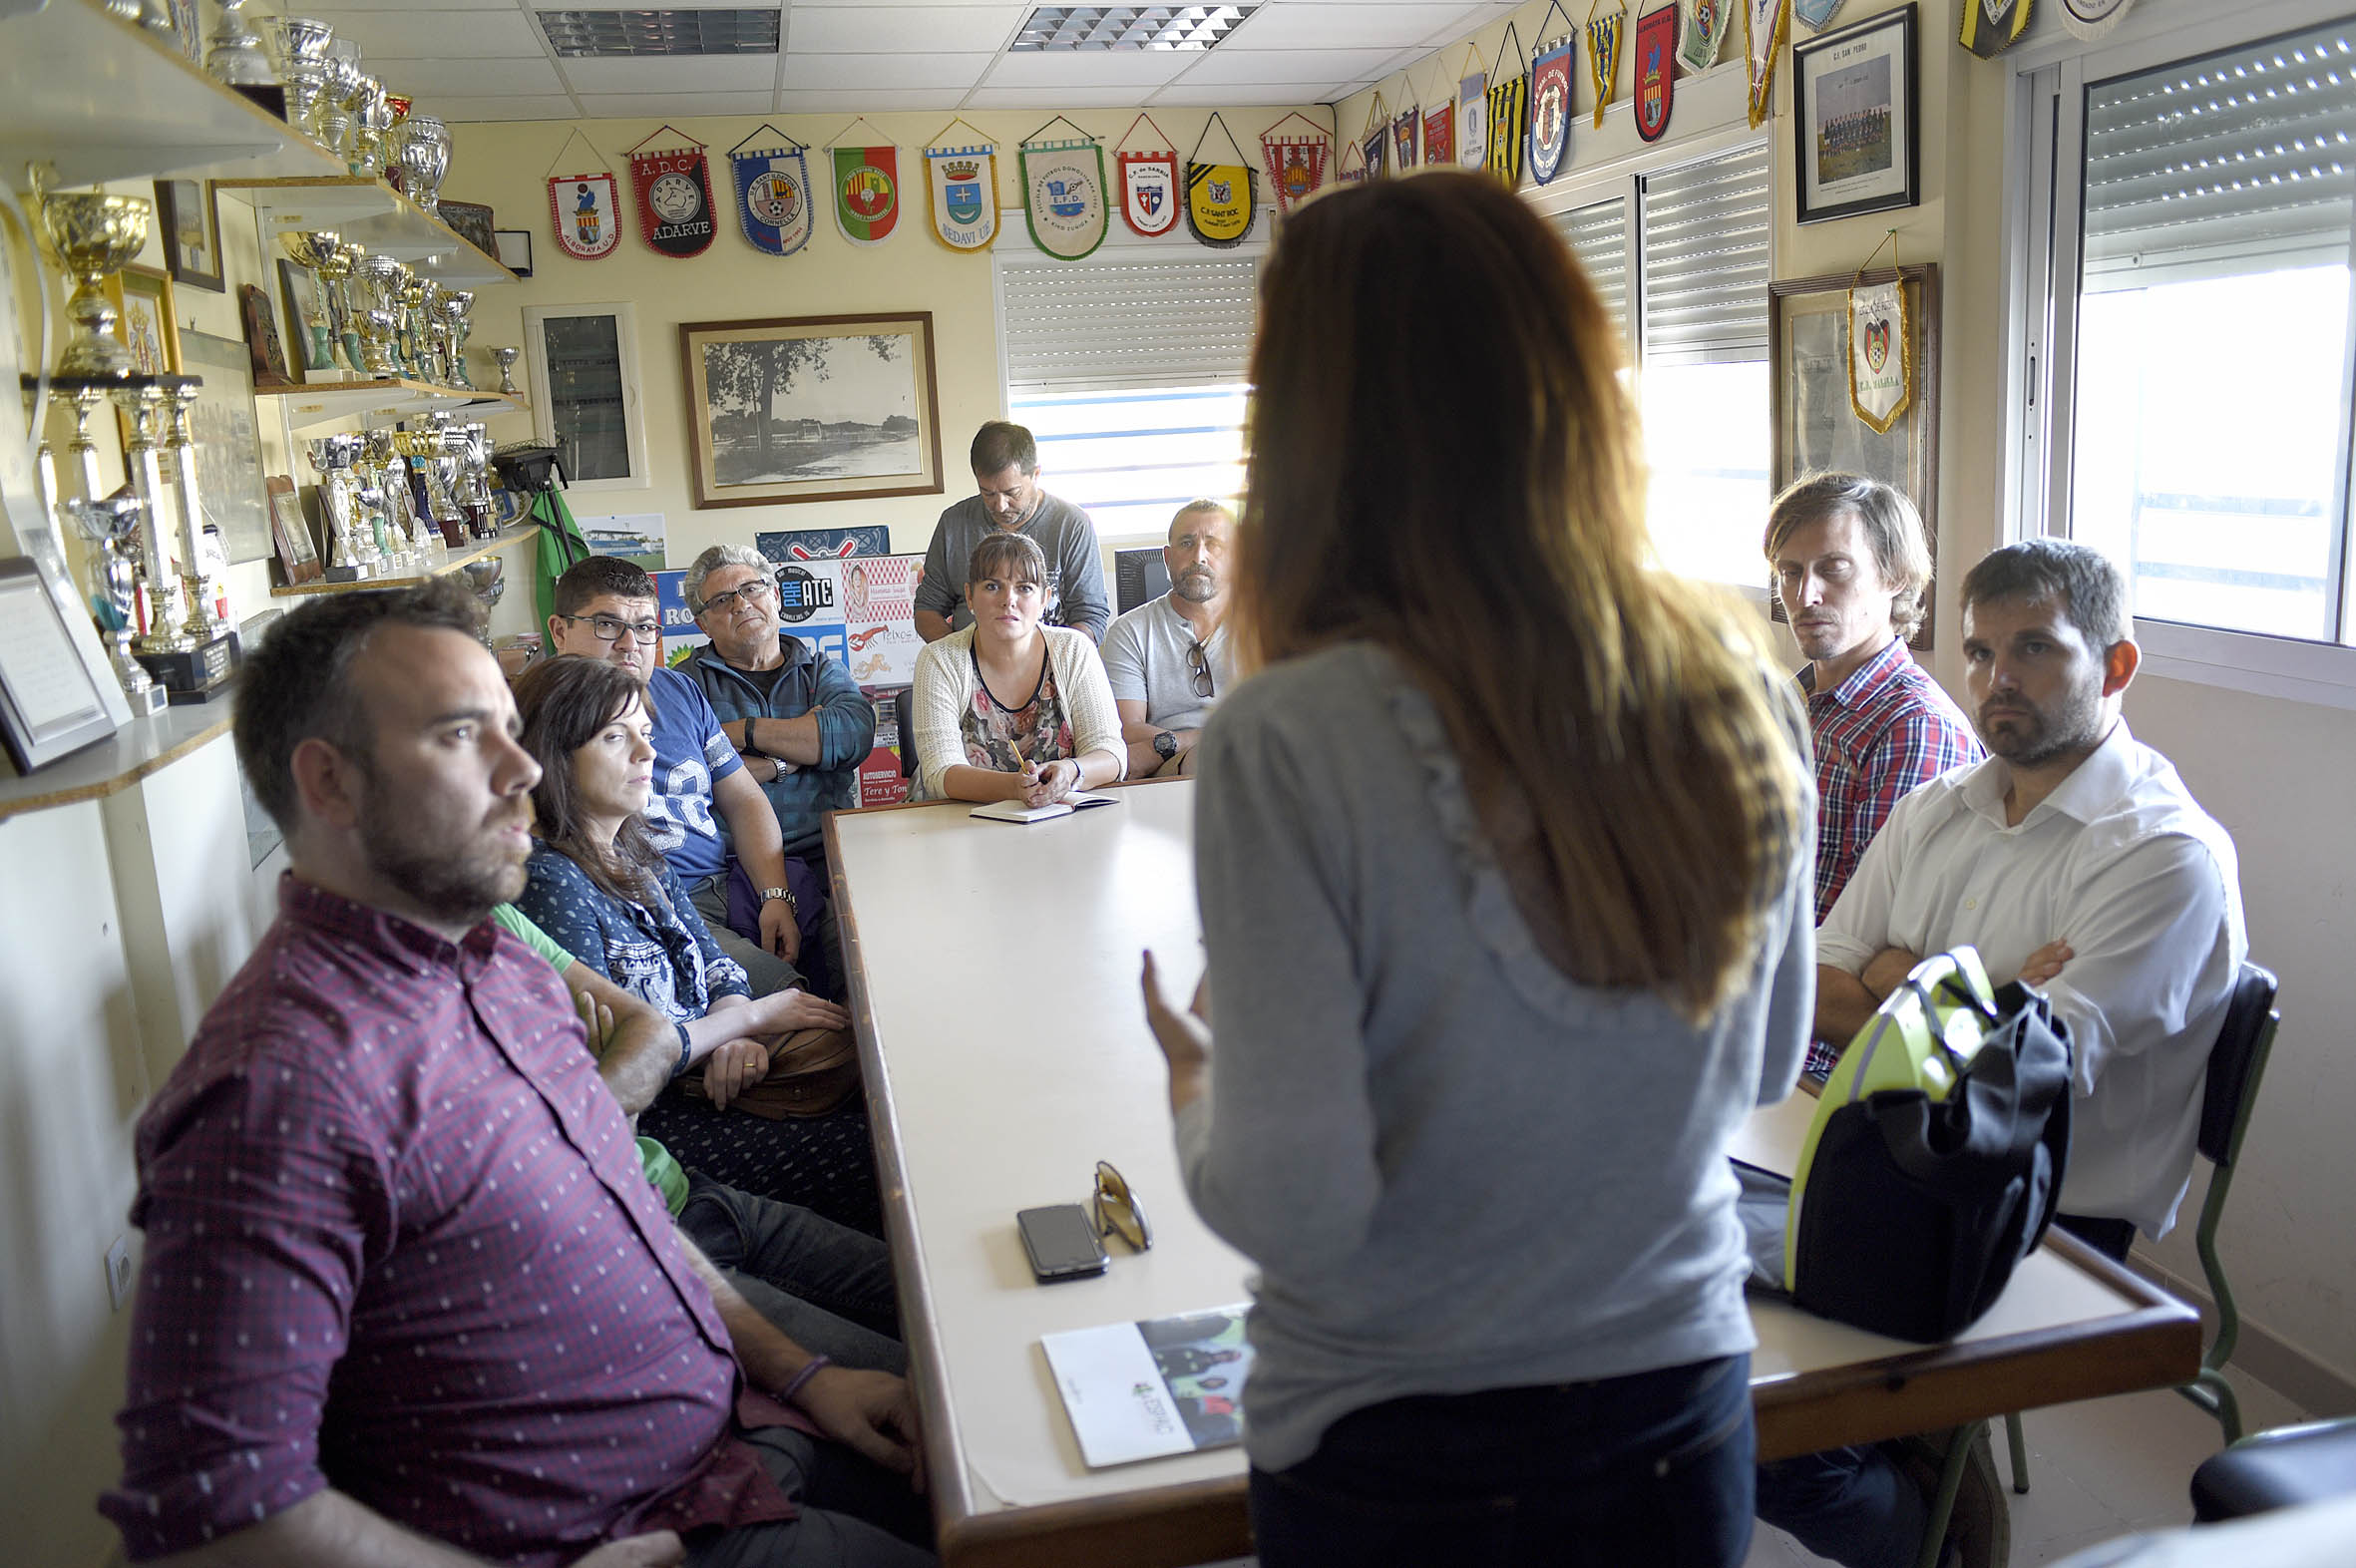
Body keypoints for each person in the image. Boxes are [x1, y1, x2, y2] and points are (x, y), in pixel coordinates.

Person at [1138, 170, 1816, 1568]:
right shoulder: (1741, 684)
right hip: (1679, 1414)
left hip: (1400, 1450)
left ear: (1309, 437)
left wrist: (1197, 1077)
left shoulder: (1291, 730)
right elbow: (1760, 1067)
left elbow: (1298, 1211)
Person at [100, 579, 931, 1568]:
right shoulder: (279, 1087)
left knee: (994, 1425)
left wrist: (801, 1379)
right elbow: (214, 1506)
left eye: (511, 726)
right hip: (623, 1535)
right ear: (329, 784)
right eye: (462, 736)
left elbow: (629, 1205)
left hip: (741, 1441)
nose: (521, 767)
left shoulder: (505, 966)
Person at [1756, 539, 2247, 1568]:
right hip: (1879, 1161)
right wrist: (1989, 985)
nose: (1994, 680)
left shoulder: (2161, 854)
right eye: (1978, 653)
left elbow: (2006, 1088)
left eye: (2034, 649)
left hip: (2040, 1214)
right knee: (1690, 1338)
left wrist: (1901, 973)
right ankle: (1927, 1471)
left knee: (1755, 1434)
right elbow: (1814, 990)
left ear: (2114, 667)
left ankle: (1937, 1543)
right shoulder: (1941, 807)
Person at [508, 653, 883, 1235]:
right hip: (669, 1128)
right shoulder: (549, 881)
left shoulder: (637, 847)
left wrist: (735, 1022)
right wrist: (748, 1021)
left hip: (716, 1076)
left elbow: (713, 961)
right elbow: (619, 1058)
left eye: (646, 733)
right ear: (552, 757)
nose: (647, 754)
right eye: (615, 737)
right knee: (876, 1153)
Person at [492, 902, 904, 1374]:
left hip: (679, 1186)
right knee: (915, 1373)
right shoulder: (549, 882)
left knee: (934, 1291)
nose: (516, 824)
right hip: (642, 1231)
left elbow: (659, 1026)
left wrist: (732, 1026)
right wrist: (620, 1095)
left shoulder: (498, 917)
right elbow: (554, 1162)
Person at [546, 556, 809, 998]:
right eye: (608, 625)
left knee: (855, 955)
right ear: (559, 631)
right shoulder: (537, 716)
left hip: (729, 886)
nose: (631, 645)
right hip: (648, 909)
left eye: (646, 627)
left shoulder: (680, 691)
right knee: (801, 1011)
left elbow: (742, 798)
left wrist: (775, 895)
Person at [1767, 473, 1980, 929]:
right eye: (1790, 572)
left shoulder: (1915, 726)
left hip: (1810, 987)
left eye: (1833, 569)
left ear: (1895, 578)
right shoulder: (1785, 701)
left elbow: (1867, 928)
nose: (1805, 596)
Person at [679, 542, 877, 996]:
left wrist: (742, 733)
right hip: (727, 873)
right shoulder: (686, 685)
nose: (742, 604)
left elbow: (851, 736)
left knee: (870, 975)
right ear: (702, 621)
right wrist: (798, 751)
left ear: (774, 595)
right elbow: (693, 775)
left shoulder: (819, 669)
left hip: (829, 860)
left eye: (752, 588)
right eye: (722, 600)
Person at [908, 531, 1126, 806]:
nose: (1008, 599)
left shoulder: (1074, 650)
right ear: (969, 597)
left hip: (1057, 820)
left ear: (1045, 599)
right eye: (991, 586)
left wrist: (1071, 772)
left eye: (1024, 588)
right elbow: (940, 774)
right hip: (959, 823)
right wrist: (1015, 787)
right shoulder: (939, 659)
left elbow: (1112, 754)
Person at [913, 421, 1109, 642]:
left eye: (1011, 492)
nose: (1000, 505)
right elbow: (927, 609)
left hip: (1053, 665)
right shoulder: (953, 523)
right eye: (987, 493)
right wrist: (959, 659)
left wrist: (1058, 666)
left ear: (1036, 474)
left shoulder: (1072, 524)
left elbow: (1091, 615)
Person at [1102, 499, 1238, 778]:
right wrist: (1193, 743)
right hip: (1168, 761)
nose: (1199, 556)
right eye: (1186, 543)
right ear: (1167, 557)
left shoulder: (1262, 624)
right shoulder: (1130, 631)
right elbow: (1128, 729)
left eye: (1214, 544)